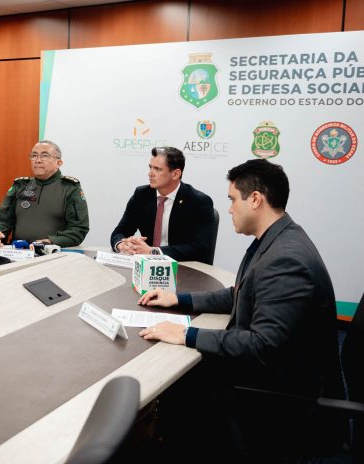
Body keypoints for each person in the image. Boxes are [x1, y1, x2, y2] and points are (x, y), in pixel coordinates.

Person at [137, 159, 345, 460]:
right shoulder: (276, 239)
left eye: (234, 199)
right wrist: (179, 299)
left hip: (277, 396)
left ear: (256, 199)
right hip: (272, 373)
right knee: (179, 381)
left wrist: (187, 334)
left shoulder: (286, 260)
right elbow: (240, 294)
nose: (230, 209)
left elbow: (262, 345)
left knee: (178, 387)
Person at [110, 146, 215, 263]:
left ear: (175, 174)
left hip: (184, 267)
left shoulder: (198, 202)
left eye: (157, 169)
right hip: (148, 267)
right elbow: (120, 231)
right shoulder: (141, 195)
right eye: (150, 167)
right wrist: (122, 244)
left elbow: (201, 248)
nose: (150, 173)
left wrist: (154, 252)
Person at [0, 140, 89, 247]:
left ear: (59, 163)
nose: (38, 160)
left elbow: (78, 229)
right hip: (18, 253)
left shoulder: (70, 188)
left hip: (54, 255)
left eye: (45, 155)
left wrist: (51, 241)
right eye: (34, 155)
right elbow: (3, 219)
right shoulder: (20, 186)